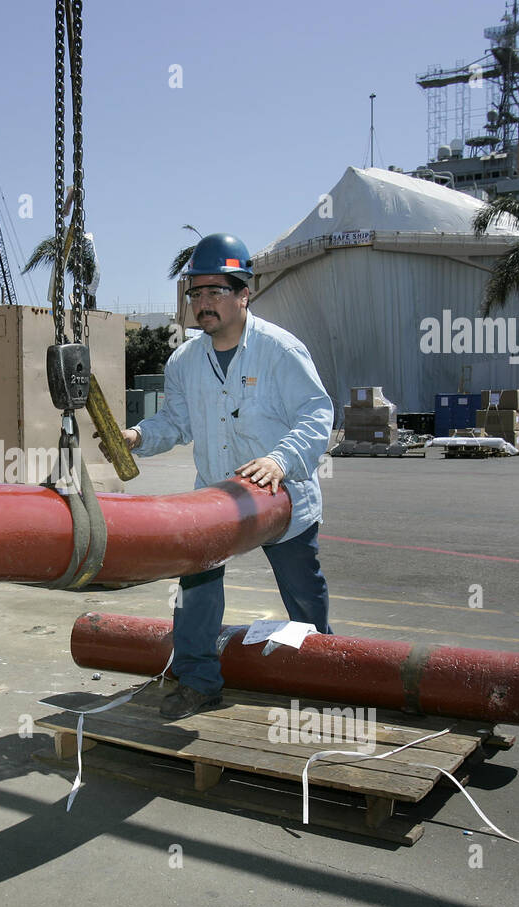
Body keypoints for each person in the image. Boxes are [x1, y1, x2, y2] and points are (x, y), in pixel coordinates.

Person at [112, 233, 334, 720]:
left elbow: (317, 412)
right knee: (195, 585)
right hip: (216, 496)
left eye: (215, 292)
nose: (203, 304)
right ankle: (196, 681)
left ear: (243, 294)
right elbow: (175, 423)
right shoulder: (184, 362)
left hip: (281, 493)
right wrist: (136, 436)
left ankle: (322, 679)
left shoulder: (279, 350)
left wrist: (281, 460)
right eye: (196, 294)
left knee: (303, 592)